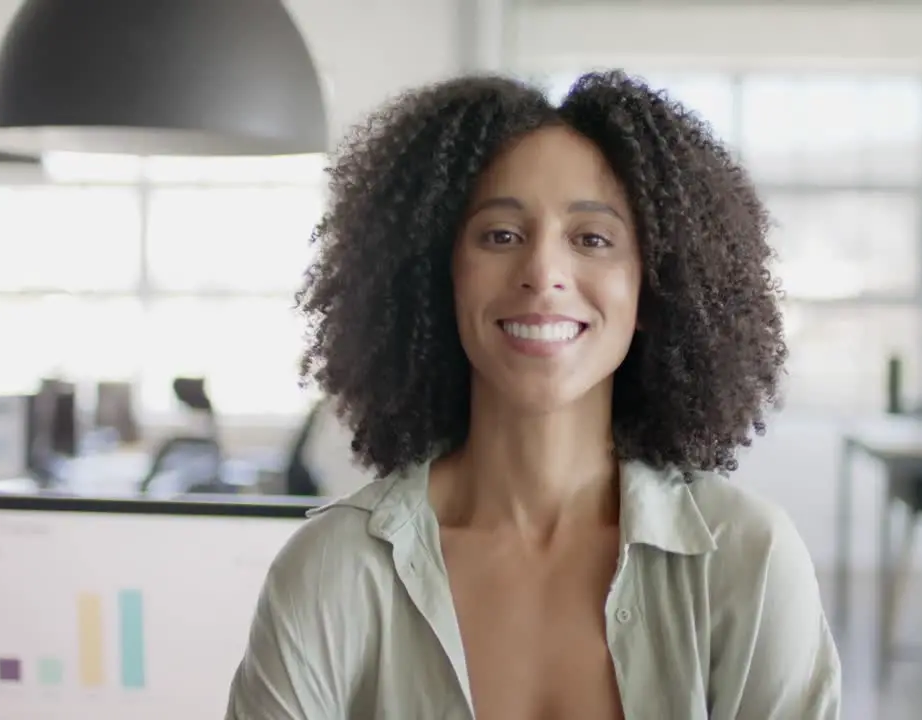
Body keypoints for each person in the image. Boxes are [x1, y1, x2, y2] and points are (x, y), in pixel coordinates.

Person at [225, 70, 840, 720]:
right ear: (440, 276)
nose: (543, 273)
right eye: (500, 235)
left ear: (655, 289)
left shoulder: (747, 558)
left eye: (592, 240)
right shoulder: (333, 570)